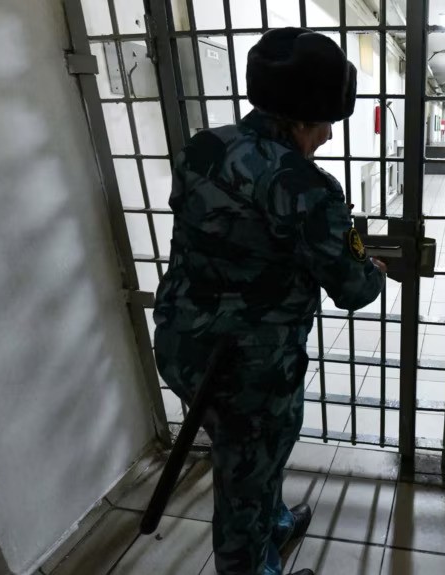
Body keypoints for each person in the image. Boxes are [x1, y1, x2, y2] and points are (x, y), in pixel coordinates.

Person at [152, 27, 386, 575]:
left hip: (183, 344)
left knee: (251, 459)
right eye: (325, 122)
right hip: (249, 370)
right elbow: (353, 289)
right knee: (244, 477)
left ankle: (272, 526)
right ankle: (250, 563)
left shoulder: (202, 149)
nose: (329, 135)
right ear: (302, 120)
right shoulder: (305, 187)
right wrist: (372, 271)